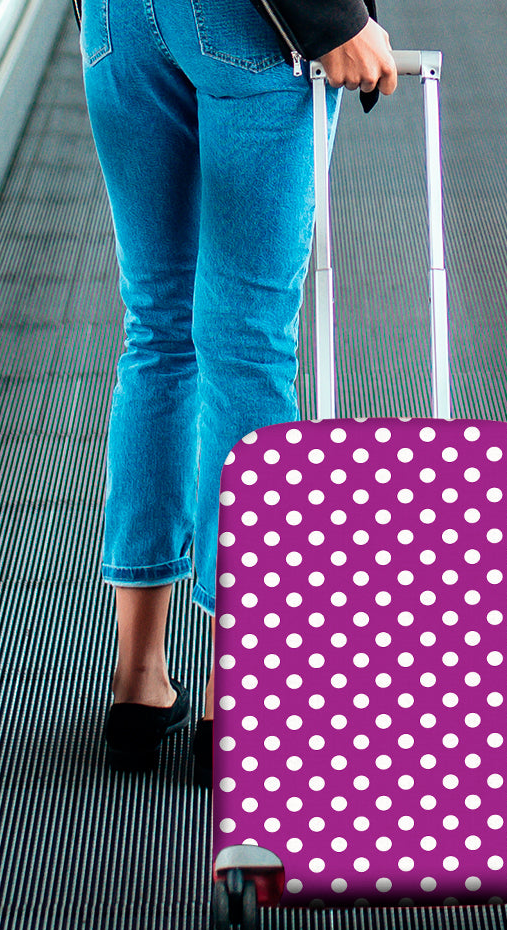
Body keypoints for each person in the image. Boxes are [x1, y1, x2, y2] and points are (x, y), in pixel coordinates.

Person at [80, 0, 397, 780]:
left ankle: (139, 680)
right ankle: (237, 696)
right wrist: (332, 18)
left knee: (156, 332)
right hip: (251, 28)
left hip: (119, 24)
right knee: (246, 348)